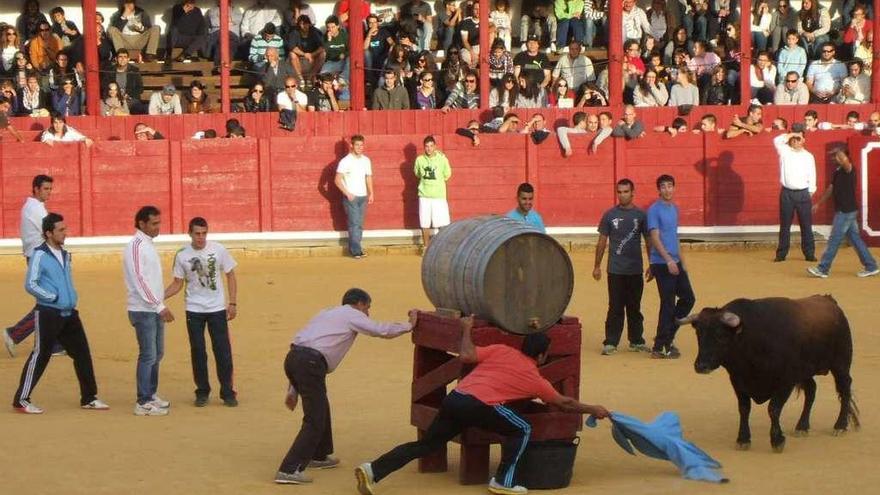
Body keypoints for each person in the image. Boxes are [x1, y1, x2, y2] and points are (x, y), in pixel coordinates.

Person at [355, 315, 610, 495]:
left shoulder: (501, 350)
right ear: (542, 355)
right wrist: (593, 409)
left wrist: (466, 328)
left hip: (456, 398)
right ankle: (503, 481)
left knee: (426, 445)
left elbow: (466, 355)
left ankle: (372, 470)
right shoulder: (535, 378)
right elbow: (564, 403)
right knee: (521, 428)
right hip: (478, 405)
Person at [275, 288, 417, 485]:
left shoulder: (326, 312)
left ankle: (319, 455)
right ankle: (288, 469)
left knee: (320, 408)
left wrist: (293, 389)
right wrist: (409, 325)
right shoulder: (352, 314)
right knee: (314, 419)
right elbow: (380, 330)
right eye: (367, 308)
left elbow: (302, 345)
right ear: (359, 303)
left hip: (294, 360)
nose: (367, 313)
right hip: (310, 364)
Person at [11, 212, 110, 414]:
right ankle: (21, 399)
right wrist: (52, 297)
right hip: (48, 313)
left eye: (65, 229)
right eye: (61, 230)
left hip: (69, 313)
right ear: (48, 233)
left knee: (82, 353)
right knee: (41, 355)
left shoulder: (65, 254)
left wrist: (70, 297)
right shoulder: (39, 254)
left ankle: (89, 397)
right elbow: (30, 284)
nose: (65, 233)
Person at [164, 217, 239, 407]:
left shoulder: (218, 249)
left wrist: (233, 302)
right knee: (198, 351)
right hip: (194, 308)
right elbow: (177, 283)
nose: (201, 237)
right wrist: (158, 298)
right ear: (189, 233)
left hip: (217, 308)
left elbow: (230, 275)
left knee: (223, 351)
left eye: (204, 233)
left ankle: (228, 392)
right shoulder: (182, 255)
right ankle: (202, 391)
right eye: (197, 233)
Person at [3, 175, 65, 357]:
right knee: (52, 301)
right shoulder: (36, 210)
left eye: (50, 189)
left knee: (50, 301)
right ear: (36, 189)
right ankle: (15, 334)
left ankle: (50, 344)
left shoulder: (33, 207)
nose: (49, 192)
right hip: (41, 259)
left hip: (38, 257)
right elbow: (50, 234)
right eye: (46, 189)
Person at [123, 205, 175, 416]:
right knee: (148, 354)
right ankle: (143, 401)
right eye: (154, 223)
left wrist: (158, 304)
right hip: (143, 309)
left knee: (157, 353)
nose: (157, 227)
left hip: (151, 308)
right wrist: (159, 305)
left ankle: (151, 394)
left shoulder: (147, 244)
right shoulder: (135, 246)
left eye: (158, 223)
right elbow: (139, 281)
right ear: (142, 223)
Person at [594, 178, 651, 356]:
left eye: (625, 191)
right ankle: (611, 342)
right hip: (615, 270)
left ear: (632, 193)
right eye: (619, 191)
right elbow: (602, 242)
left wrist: (653, 264)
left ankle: (636, 340)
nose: (622, 195)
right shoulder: (609, 215)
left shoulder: (641, 216)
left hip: (635, 269)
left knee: (634, 306)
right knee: (615, 306)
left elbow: (649, 241)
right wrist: (597, 266)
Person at [807, 149, 879, 279]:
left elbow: (845, 161)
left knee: (834, 239)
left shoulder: (849, 169)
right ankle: (871, 266)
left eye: (837, 156)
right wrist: (819, 203)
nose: (834, 158)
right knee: (855, 240)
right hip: (847, 210)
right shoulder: (838, 171)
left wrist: (839, 152)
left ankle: (823, 269)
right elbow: (831, 188)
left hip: (845, 211)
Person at [647, 174, 695, 360]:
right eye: (663, 187)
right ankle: (659, 347)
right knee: (668, 303)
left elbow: (674, 236)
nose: (667, 190)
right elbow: (655, 237)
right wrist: (668, 260)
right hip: (662, 263)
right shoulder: (654, 210)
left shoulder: (674, 208)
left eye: (670, 186)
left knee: (688, 298)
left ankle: (666, 338)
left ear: (674, 188)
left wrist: (681, 261)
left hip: (674, 261)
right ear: (658, 190)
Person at [773, 132, 816, 263]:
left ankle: (809, 254)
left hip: (803, 192)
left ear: (803, 140)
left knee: (806, 225)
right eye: (794, 139)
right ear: (790, 140)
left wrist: (811, 191)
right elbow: (777, 140)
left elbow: (812, 174)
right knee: (785, 225)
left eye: (799, 139)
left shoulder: (808, 156)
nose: (796, 141)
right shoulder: (785, 151)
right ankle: (781, 254)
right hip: (787, 193)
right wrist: (792, 133)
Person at [335, 135, 373, 259]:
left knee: (359, 224)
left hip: (363, 196)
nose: (359, 147)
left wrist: (371, 192)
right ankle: (355, 250)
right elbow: (337, 180)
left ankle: (357, 248)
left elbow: (368, 177)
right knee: (354, 223)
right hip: (351, 197)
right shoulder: (345, 161)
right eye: (357, 145)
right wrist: (347, 193)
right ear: (351, 146)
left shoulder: (366, 160)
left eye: (361, 145)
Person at [414, 135, 452, 249]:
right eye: (427, 146)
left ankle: (442, 247)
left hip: (439, 196)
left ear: (435, 146)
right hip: (424, 195)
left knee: (442, 223)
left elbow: (447, 174)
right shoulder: (419, 160)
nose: (429, 148)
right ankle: (426, 247)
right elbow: (418, 173)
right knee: (424, 222)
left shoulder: (442, 159)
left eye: (431, 146)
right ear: (424, 147)